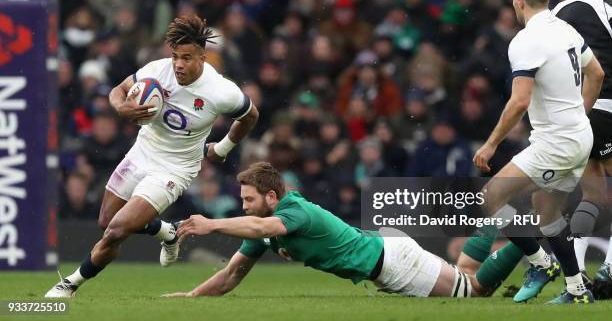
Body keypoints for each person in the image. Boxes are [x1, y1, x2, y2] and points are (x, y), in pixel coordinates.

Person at [45, 15, 259, 298]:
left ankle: (70, 284)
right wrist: (121, 108)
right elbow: (117, 91)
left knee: (117, 230)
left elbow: (250, 116)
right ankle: (167, 232)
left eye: (186, 57)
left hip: (175, 168)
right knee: (107, 221)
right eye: (175, 56)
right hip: (142, 151)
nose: (178, 64)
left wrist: (222, 148)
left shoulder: (221, 91)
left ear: (203, 58)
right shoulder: (157, 70)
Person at [161, 162, 515, 299]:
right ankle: (509, 212)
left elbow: (260, 224)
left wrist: (211, 224)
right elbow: (230, 275)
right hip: (385, 256)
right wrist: (192, 297)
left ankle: (532, 232)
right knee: (466, 272)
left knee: (475, 292)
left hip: (393, 263)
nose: (244, 206)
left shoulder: (292, 210)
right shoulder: (266, 230)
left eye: (249, 200)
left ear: (271, 197)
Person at [472, 0, 604, 304]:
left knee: (490, 197)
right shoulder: (566, 30)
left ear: (518, 1)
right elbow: (597, 74)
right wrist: (580, 114)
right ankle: (576, 290)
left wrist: (491, 144)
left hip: (555, 144)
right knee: (547, 213)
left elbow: (519, 101)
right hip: (579, 137)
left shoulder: (526, 40)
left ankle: (541, 264)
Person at [553, 0, 612, 299]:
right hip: (608, 107)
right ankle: (609, 269)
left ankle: (575, 276)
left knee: (593, 196)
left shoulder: (558, 11)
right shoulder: (606, 9)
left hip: (576, 114)